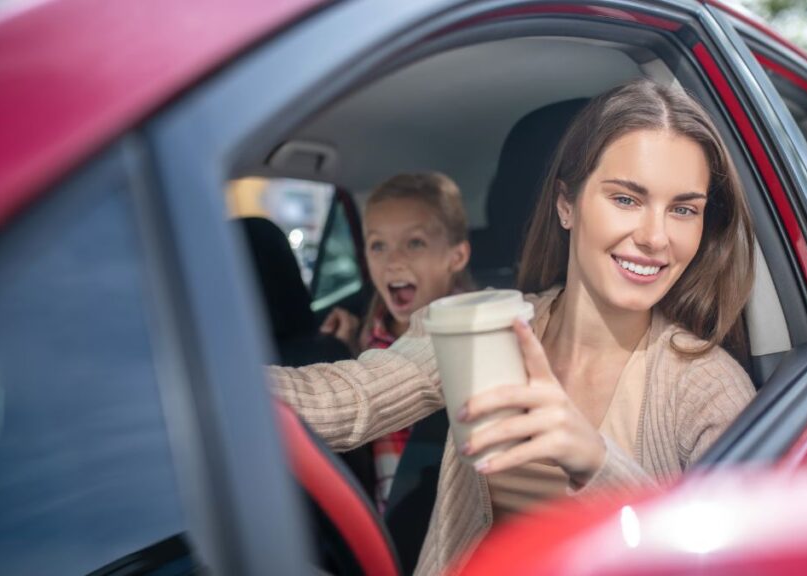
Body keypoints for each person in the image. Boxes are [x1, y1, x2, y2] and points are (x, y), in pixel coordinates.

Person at [269, 79, 756, 575]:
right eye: (627, 199)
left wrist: (594, 460)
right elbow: (350, 399)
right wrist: (203, 390)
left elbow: (727, 560)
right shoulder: (484, 326)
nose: (656, 237)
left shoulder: (707, 389)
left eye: (683, 210)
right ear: (567, 205)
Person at [319, 171, 472, 512]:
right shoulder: (366, 338)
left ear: (456, 257)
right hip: (389, 516)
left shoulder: (479, 335)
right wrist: (347, 350)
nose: (393, 261)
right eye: (378, 245)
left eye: (414, 242)